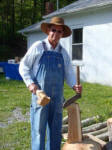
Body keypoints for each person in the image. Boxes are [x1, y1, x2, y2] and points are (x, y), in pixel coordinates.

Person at [19, 16, 82, 150]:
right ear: (48, 30)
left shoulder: (63, 53)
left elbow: (69, 73)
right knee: (39, 131)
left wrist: (74, 85)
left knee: (55, 131)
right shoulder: (38, 47)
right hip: (41, 97)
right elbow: (23, 66)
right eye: (54, 30)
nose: (56, 34)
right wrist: (30, 84)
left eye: (59, 31)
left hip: (57, 98)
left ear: (62, 34)